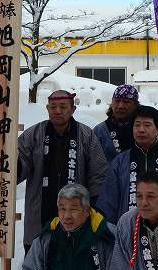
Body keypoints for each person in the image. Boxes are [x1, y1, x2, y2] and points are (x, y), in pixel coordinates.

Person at [18, 89, 108, 251]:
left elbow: (98, 173)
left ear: (73, 109)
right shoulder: (33, 134)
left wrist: (93, 206)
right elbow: (19, 164)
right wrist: (12, 164)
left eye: (63, 107)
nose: (57, 111)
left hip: (76, 211)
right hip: (39, 210)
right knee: (37, 257)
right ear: (47, 109)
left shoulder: (86, 135)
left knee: (73, 257)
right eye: (53, 107)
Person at [20, 183, 115, 270]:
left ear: (87, 211)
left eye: (73, 209)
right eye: (62, 209)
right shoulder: (47, 238)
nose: (66, 216)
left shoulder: (107, 236)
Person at [94, 84, 140, 161]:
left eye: (126, 102)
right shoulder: (100, 131)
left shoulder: (142, 130)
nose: (120, 106)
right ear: (112, 103)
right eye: (117, 101)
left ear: (135, 105)